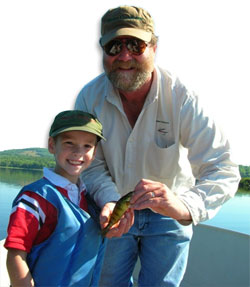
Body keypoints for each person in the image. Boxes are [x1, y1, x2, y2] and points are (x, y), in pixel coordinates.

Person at [75, 5, 241, 287]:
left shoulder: (182, 98)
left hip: (169, 217)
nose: (125, 56)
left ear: (154, 47)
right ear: (102, 50)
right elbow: (91, 165)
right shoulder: (90, 97)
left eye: (136, 45)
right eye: (114, 46)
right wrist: (109, 200)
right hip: (114, 211)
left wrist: (184, 206)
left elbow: (222, 168)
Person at [4, 110, 106, 287]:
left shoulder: (90, 199)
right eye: (69, 143)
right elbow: (16, 253)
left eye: (87, 146)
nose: (78, 152)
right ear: (52, 145)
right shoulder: (35, 197)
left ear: (95, 152)